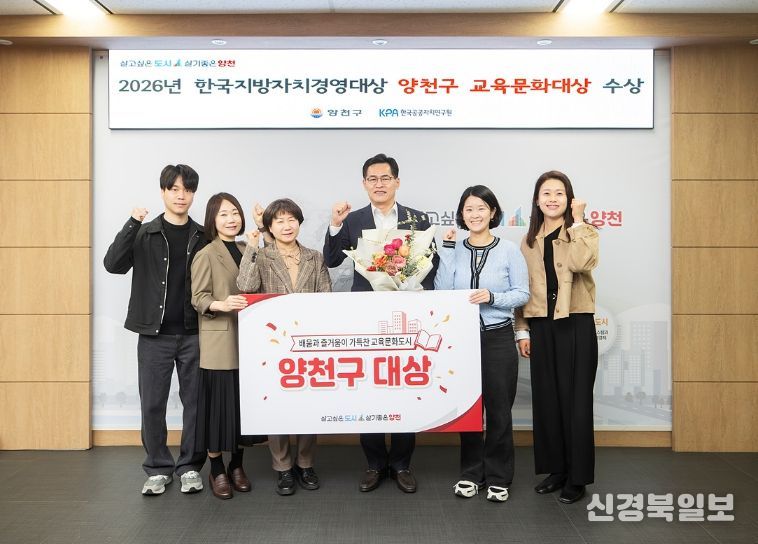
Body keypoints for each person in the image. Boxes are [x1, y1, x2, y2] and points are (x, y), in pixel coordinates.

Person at [322, 152, 437, 494]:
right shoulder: (353, 219)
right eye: (372, 179)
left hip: (406, 317)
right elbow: (331, 260)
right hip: (366, 317)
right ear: (364, 184)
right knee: (369, 389)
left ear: (397, 181)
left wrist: (421, 302)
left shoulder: (418, 219)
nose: (379, 184)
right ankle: (374, 463)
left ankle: (401, 464)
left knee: (404, 387)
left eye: (385, 178)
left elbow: (430, 264)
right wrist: (335, 225)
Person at [103, 164, 207, 496]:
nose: (181, 195)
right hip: (154, 334)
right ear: (163, 192)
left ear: (193, 194)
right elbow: (113, 265)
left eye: (187, 189)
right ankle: (159, 468)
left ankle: (190, 467)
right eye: (174, 189)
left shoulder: (203, 235)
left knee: (196, 404)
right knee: (152, 404)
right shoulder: (144, 232)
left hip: (194, 332)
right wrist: (132, 222)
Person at [434, 185, 529, 503]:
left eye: (481, 208)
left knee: (499, 410)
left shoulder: (509, 250)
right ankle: (471, 473)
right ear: (461, 214)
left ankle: (499, 477)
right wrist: (447, 250)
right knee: (469, 409)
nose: (475, 214)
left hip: (497, 338)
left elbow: (522, 294)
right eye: (469, 209)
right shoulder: (454, 248)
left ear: (492, 212)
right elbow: (442, 291)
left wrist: (493, 297)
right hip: (462, 340)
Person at [237, 198, 332, 496]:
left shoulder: (314, 257)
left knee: (307, 404)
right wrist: (252, 247)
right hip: (273, 344)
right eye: (279, 221)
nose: (286, 226)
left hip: (308, 343)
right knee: (276, 405)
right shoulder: (262, 256)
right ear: (269, 226)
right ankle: (282, 467)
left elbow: (326, 298)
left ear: (299, 223)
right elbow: (245, 286)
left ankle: (305, 464)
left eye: (291, 219)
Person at [514, 170, 599, 505]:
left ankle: (577, 478)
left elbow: (582, 262)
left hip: (574, 321)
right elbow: (522, 289)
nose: (552, 199)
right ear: (537, 200)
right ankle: (557, 470)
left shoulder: (582, 231)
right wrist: (522, 329)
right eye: (546, 193)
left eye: (559, 193)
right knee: (547, 401)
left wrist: (577, 221)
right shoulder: (529, 240)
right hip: (541, 325)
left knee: (575, 403)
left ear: (569, 198)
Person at [191, 192, 252, 500]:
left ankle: (237, 465)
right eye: (224, 214)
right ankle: (216, 469)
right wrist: (222, 303)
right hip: (220, 340)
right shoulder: (206, 253)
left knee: (242, 409)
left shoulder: (247, 249)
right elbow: (198, 297)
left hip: (251, 339)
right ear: (212, 220)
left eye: (235, 213)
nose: (231, 219)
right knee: (217, 410)